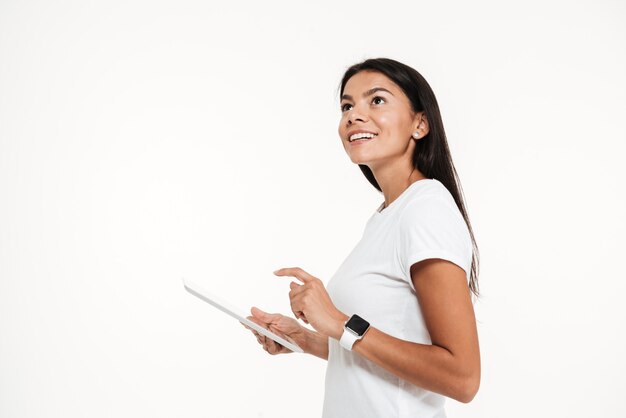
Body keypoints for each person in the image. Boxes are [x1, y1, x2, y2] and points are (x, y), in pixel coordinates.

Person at [241, 57, 481, 418]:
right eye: (347, 106)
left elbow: (462, 377)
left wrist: (339, 323)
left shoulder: (426, 210)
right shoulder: (387, 216)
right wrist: (307, 339)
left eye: (377, 100)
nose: (354, 115)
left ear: (420, 123)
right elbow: (388, 355)